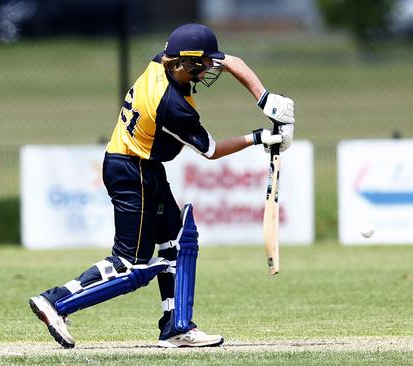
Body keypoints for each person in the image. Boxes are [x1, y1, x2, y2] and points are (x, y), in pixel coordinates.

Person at [29, 23, 295, 349]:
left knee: (177, 242)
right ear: (183, 64)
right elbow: (211, 151)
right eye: (202, 66)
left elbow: (231, 62)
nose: (208, 70)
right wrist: (260, 137)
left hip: (145, 167)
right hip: (130, 171)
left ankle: (176, 326)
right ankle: (55, 301)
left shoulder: (162, 60)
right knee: (130, 264)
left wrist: (264, 98)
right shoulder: (172, 106)